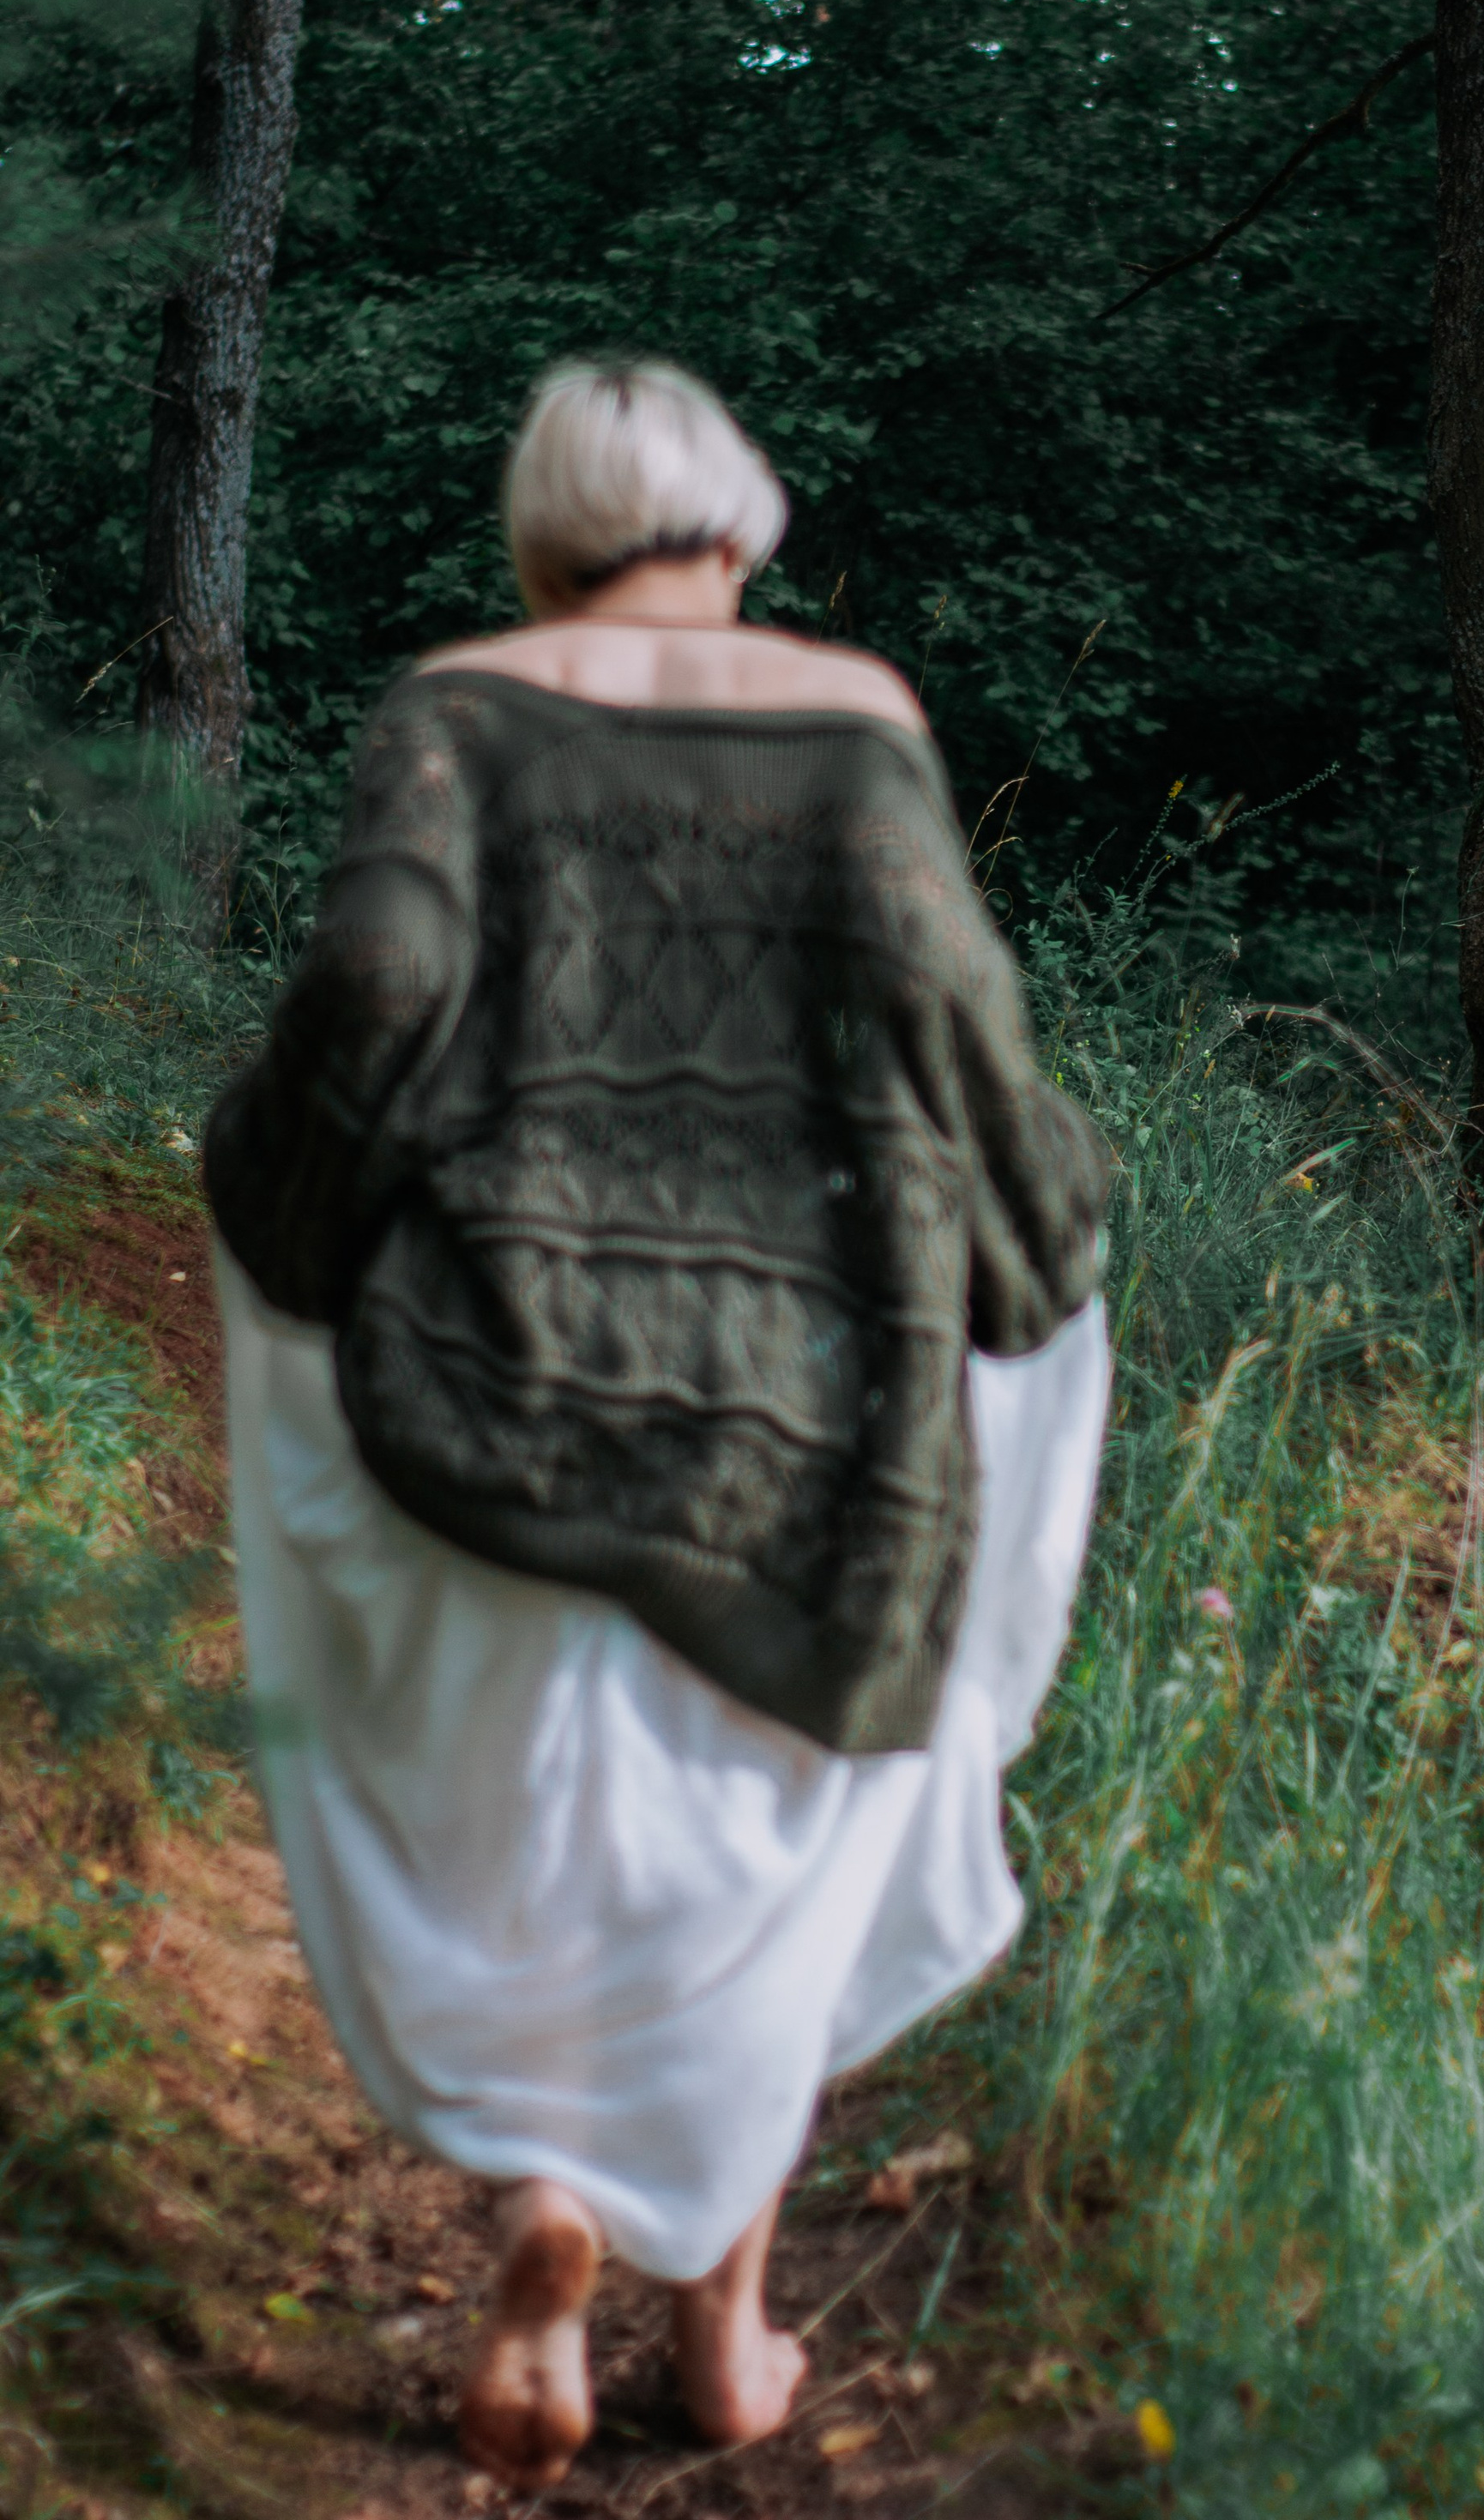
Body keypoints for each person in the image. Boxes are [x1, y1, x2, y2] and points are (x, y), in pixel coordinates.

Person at [205, 363, 1112, 2486]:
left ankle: (540, 2214)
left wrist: (287, 1219)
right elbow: (951, 1025)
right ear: (742, 518)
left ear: (542, 528)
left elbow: (373, 987)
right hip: (814, 1423)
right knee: (761, 1860)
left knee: (544, 1837)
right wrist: (1039, 1242)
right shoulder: (853, 716)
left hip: (498, 1388)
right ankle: (724, 2328)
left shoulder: (460, 703)